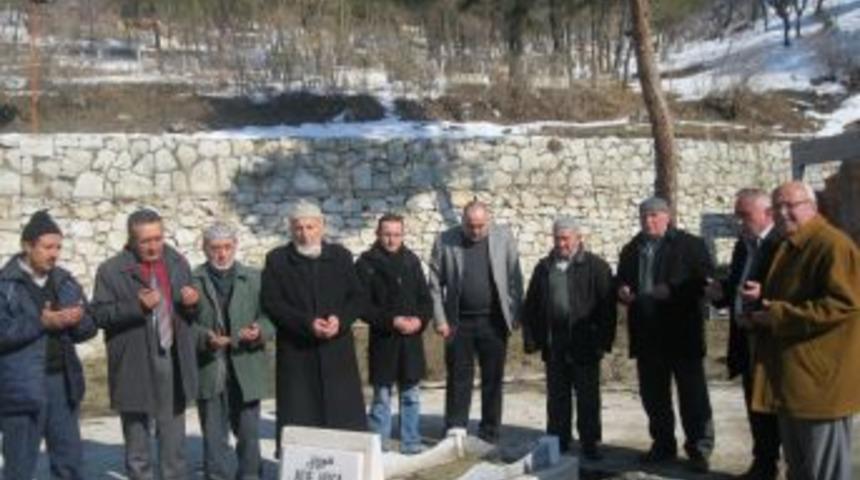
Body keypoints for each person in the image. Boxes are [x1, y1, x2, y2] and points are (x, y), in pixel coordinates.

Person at [745, 181, 860, 480]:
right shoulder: (791, 244)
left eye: (790, 206)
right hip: (793, 378)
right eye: (777, 207)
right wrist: (763, 296)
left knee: (826, 471)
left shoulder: (832, 245)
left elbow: (844, 305)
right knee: (800, 469)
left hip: (820, 381)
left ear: (812, 206)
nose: (783, 214)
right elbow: (799, 294)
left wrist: (777, 315)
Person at [92, 208, 200, 480]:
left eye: (158, 238)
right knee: (137, 442)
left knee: (173, 440)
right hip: (133, 360)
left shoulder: (177, 262)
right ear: (131, 240)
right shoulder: (111, 271)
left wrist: (191, 305)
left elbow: (190, 316)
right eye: (145, 241)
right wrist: (136, 306)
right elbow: (100, 315)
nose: (154, 246)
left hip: (171, 358)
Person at [616, 197, 715, 473]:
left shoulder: (689, 245)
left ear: (667, 216)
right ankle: (662, 444)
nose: (648, 221)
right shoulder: (632, 248)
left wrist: (673, 291)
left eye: (654, 215)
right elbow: (621, 278)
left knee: (692, 395)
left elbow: (704, 281)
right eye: (644, 216)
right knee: (654, 396)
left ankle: (699, 449)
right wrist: (622, 290)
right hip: (647, 335)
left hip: (681, 332)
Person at [261, 200, 367, 448]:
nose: (305, 233)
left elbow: (357, 297)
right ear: (291, 229)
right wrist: (307, 324)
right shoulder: (277, 260)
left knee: (343, 421)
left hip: (336, 352)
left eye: (310, 227)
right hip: (298, 353)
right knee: (301, 418)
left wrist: (339, 320)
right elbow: (272, 302)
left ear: (322, 227)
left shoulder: (340, 257)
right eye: (299, 228)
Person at [0, 210, 96, 480]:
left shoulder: (64, 280)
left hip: (62, 385)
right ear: (27, 246)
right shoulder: (5, 284)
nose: (54, 254)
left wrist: (78, 321)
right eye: (47, 247)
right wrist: (42, 323)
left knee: (69, 464)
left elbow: (88, 327)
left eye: (58, 247)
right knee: (19, 468)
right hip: (19, 388)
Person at [521, 217, 616, 460]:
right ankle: (558, 441)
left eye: (566, 238)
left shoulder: (597, 267)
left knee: (588, 398)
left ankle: (590, 443)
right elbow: (531, 305)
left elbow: (608, 309)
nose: (561, 243)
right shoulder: (544, 268)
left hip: (585, 343)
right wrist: (532, 340)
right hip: (555, 345)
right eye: (557, 238)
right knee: (557, 398)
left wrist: (603, 342)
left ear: (578, 238)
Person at [429, 200, 523, 443]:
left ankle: (490, 430)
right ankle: (455, 427)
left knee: (493, 379)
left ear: (489, 222)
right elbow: (435, 285)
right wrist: (440, 319)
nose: (476, 231)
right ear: (462, 222)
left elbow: (515, 278)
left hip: (494, 321)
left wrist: (514, 314)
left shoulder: (504, 238)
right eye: (471, 226)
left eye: (481, 226)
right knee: (459, 377)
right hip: (458, 322)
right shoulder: (445, 240)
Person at [705, 188, 782, 480]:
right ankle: (763, 463)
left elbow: (788, 290)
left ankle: (782, 464)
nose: (740, 222)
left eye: (745, 215)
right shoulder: (743, 245)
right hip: (745, 337)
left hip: (771, 338)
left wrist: (765, 296)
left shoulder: (780, 245)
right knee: (754, 402)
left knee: (774, 405)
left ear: (767, 214)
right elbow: (737, 285)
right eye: (737, 215)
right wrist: (719, 293)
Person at [192, 223, 274, 480]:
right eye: (215, 248)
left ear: (235, 246)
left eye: (227, 247)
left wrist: (259, 330)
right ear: (204, 249)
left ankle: (250, 475)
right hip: (210, 367)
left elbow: (270, 316)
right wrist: (205, 338)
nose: (222, 254)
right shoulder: (192, 280)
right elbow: (184, 325)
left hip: (246, 365)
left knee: (249, 433)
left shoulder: (254, 277)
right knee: (214, 437)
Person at [356, 213, 433, 454]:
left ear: (403, 235)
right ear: (378, 234)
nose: (392, 239)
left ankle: (411, 440)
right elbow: (361, 306)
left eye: (396, 234)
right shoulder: (365, 264)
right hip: (384, 340)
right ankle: (380, 445)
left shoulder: (411, 261)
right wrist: (392, 321)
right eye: (387, 234)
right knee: (381, 398)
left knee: (411, 395)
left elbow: (425, 299)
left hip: (411, 340)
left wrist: (420, 320)